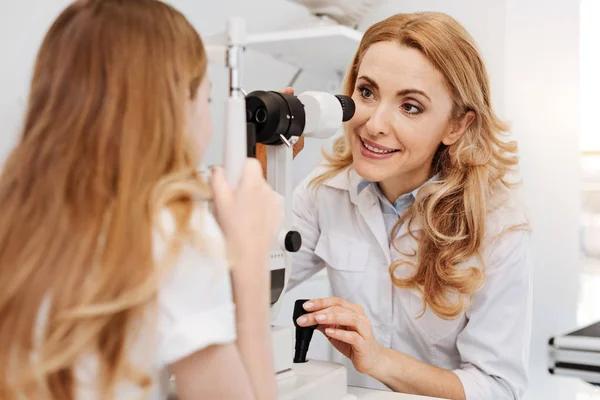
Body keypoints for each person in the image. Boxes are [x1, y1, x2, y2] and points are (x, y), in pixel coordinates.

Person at [0, 0, 280, 399]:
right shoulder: (171, 229)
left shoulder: (15, 216)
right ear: (175, 107)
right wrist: (249, 260)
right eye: (207, 100)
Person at [286, 11, 532, 400]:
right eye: (366, 92)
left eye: (410, 107)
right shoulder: (324, 194)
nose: (374, 123)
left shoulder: (498, 224)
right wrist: (263, 173)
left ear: (456, 126)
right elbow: (244, 286)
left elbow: (499, 388)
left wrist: (380, 360)